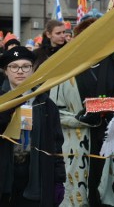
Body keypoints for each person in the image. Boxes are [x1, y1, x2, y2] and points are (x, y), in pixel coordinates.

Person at [50, 18, 114, 207]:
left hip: (113, 147)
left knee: (109, 200)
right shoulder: (64, 70)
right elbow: (54, 111)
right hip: (77, 149)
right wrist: (79, 119)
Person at [0, 46, 65, 207]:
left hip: (35, 174)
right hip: (5, 177)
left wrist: (58, 180)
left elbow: (56, 144)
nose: (20, 71)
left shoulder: (45, 103)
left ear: (32, 69)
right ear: (5, 71)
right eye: (14, 67)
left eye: (26, 66)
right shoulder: (1, 102)